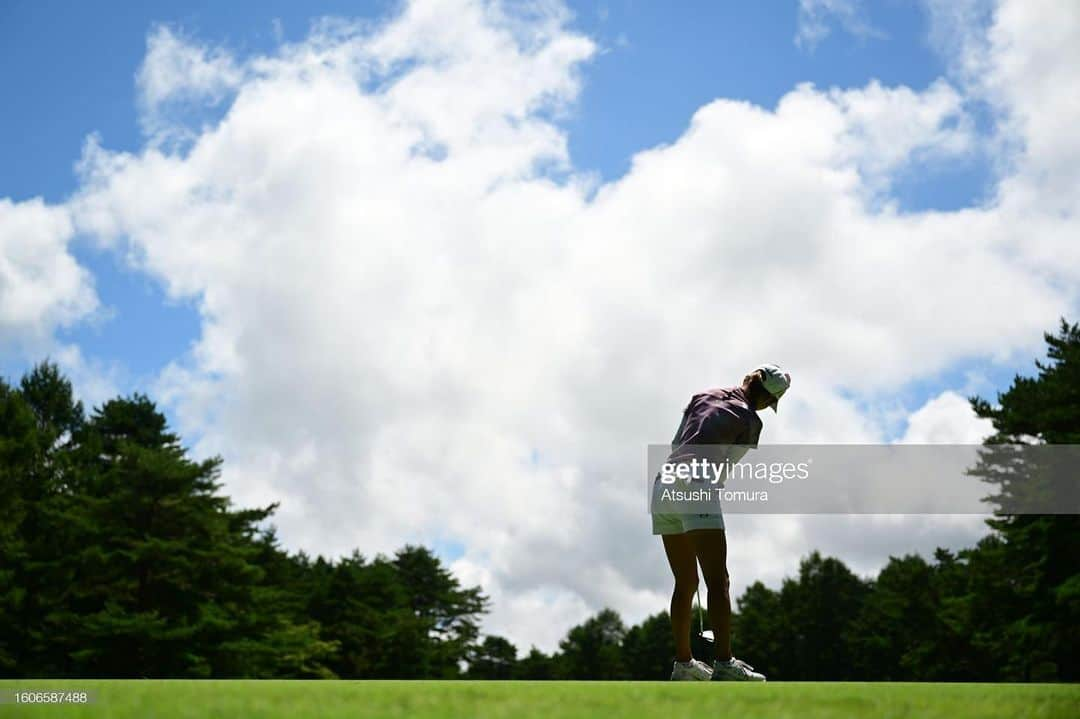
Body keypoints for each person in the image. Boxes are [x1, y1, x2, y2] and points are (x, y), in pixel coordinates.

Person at [653, 364, 790, 681]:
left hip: (664, 482)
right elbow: (723, 468)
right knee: (718, 581)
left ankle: (683, 665)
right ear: (769, 401)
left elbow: (677, 444)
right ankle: (725, 664)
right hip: (697, 484)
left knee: (686, 583)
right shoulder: (751, 421)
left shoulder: (702, 395)